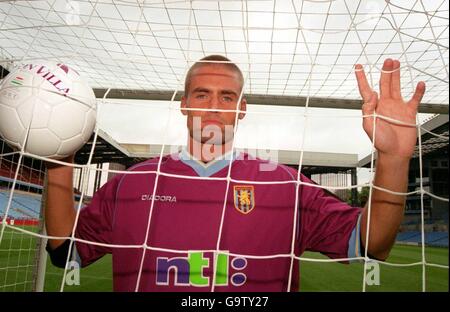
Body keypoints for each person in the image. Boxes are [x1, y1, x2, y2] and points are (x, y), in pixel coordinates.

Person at [45, 55, 425, 291]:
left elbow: (372, 247)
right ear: (184, 105)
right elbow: (66, 252)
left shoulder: (286, 185)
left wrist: (393, 158)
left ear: (242, 109)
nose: (214, 105)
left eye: (226, 97)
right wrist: (57, 151)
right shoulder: (132, 183)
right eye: (201, 94)